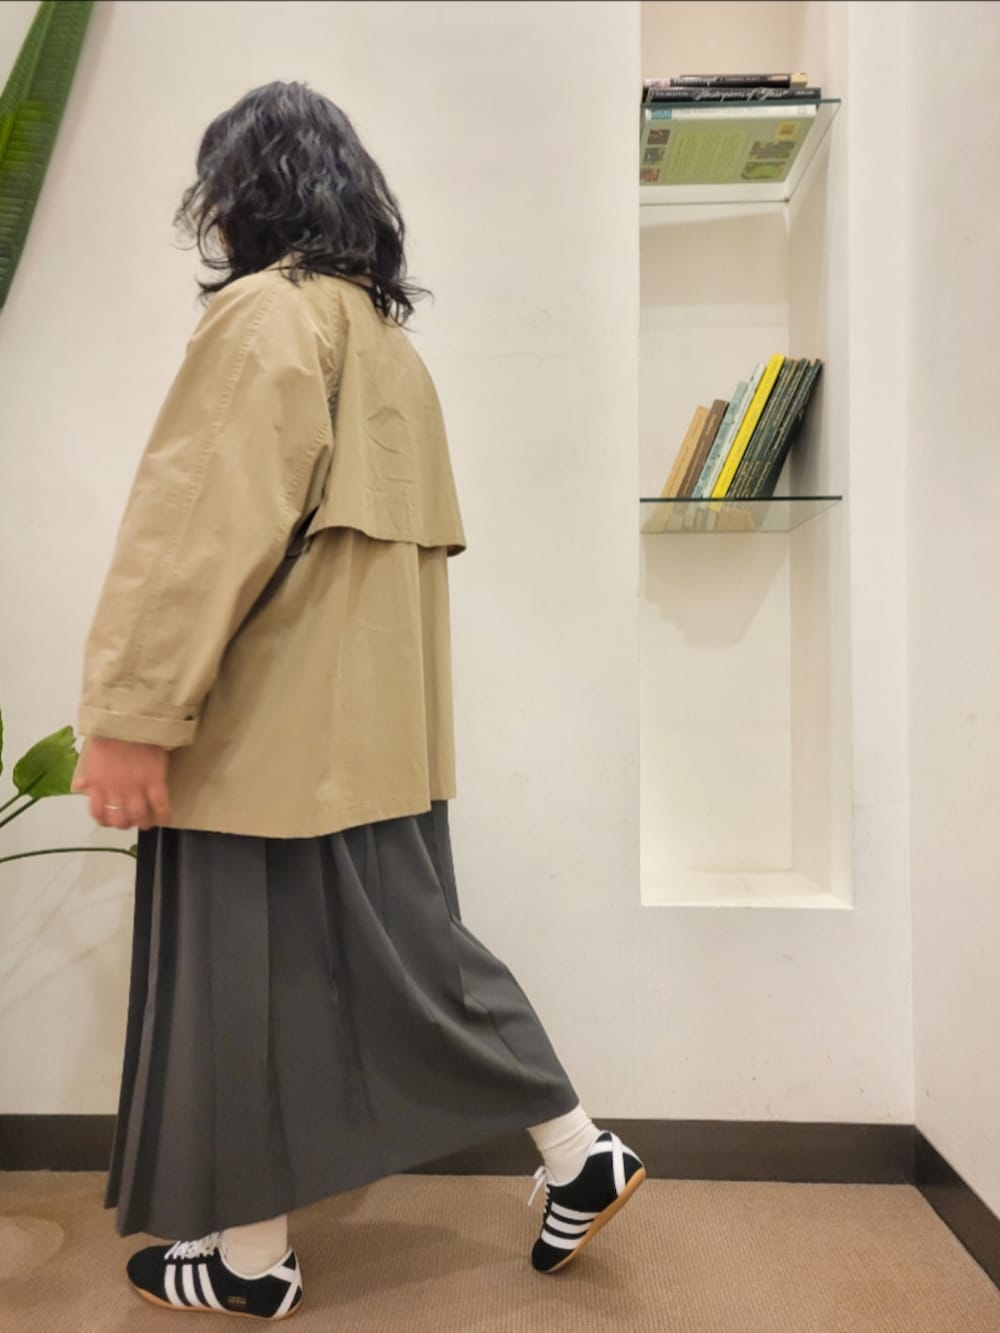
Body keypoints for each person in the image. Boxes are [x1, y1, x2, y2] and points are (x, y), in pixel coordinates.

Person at [74, 81, 644, 1322]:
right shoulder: (389, 350)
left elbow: (197, 527)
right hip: (377, 742)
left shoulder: (265, 318)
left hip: (264, 737)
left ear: (237, 195)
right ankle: (571, 1151)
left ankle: (250, 1263)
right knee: (406, 963)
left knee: (244, 989)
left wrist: (132, 710)